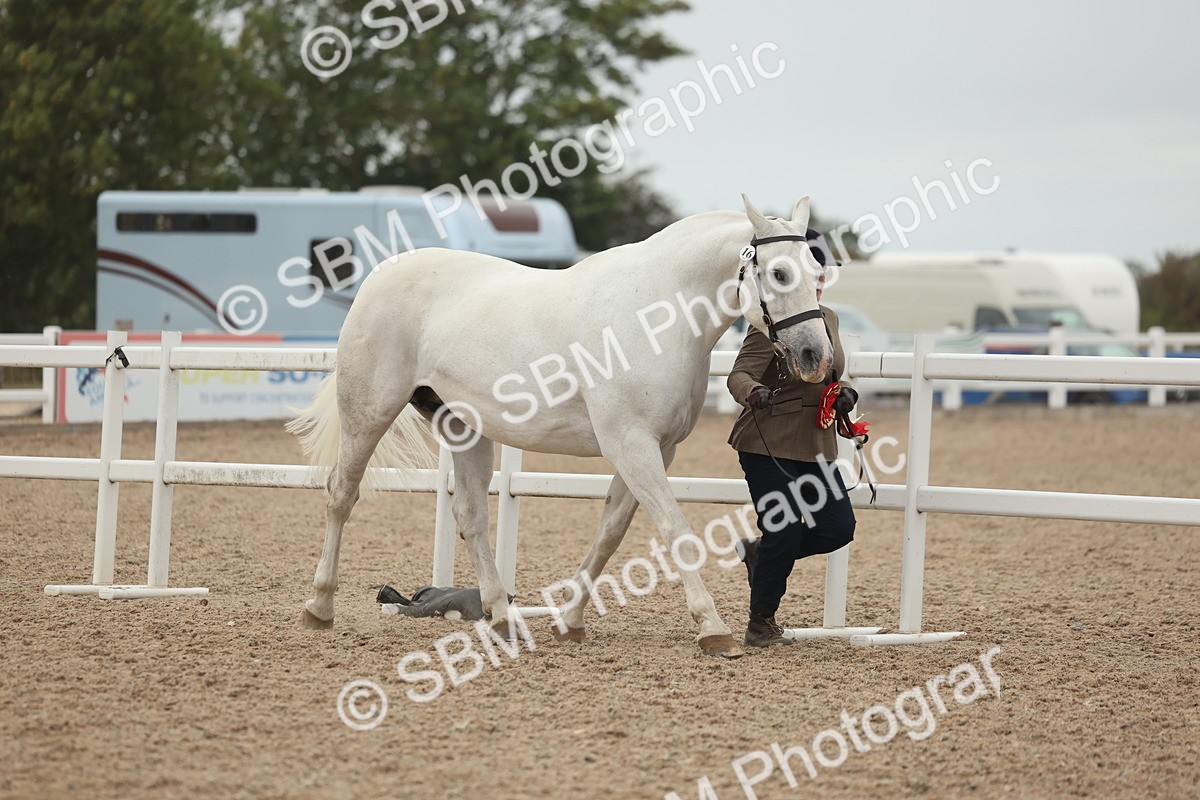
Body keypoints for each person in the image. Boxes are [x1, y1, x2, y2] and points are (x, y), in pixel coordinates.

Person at [726, 229, 859, 648]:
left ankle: (757, 553)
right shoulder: (773, 318)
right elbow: (739, 375)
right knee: (782, 532)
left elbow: (834, 370)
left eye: (824, 272)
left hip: (817, 445)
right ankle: (760, 623)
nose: (820, 278)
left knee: (838, 529)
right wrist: (753, 393)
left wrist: (847, 393)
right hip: (768, 441)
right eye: (814, 270)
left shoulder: (830, 319)